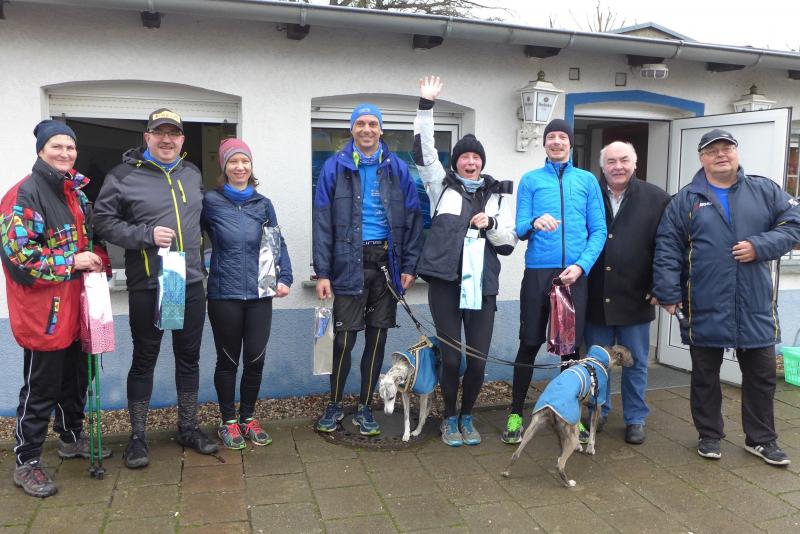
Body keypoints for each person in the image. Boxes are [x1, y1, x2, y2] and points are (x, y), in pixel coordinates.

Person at [653, 128, 800, 466]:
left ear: (736, 152)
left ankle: (761, 440)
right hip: (704, 302)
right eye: (712, 150)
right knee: (705, 376)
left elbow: (795, 224)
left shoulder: (764, 190)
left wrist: (760, 246)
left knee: (761, 375)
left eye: (727, 148)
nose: (720, 154)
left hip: (754, 303)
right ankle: (709, 435)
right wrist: (668, 291)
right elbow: (667, 248)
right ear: (702, 158)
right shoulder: (686, 200)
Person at [94, 108, 218, 468]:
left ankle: (188, 427)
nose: (167, 139)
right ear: (147, 137)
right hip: (150, 283)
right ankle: (137, 438)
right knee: (145, 358)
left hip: (186, 281)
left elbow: (204, 220)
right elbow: (102, 221)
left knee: (188, 357)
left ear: (182, 139)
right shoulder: (122, 176)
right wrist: (145, 235)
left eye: (173, 133)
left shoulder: (191, 173)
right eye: (159, 133)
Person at [1, 120, 111, 498]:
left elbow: (90, 240)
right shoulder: (24, 195)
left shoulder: (75, 193)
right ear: (41, 150)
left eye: (70, 147)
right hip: (44, 312)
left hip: (77, 306)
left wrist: (97, 258)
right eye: (57, 146)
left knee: (77, 379)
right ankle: (26, 461)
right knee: (41, 389)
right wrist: (73, 261)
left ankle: (70, 437)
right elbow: (20, 258)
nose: (65, 153)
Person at [413, 76, 517, 446]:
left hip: (482, 287)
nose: (470, 161)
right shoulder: (440, 186)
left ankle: (468, 416)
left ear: (481, 162)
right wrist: (426, 107)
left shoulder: (497, 194)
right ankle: (449, 417)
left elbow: (509, 242)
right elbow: (424, 152)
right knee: (452, 359)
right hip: (446, 284)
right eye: (464, 157)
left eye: (476, 157)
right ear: (456, 162)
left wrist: (492, 224)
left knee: (477, 361)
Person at [313, 102, 423, 436]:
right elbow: (322, 222)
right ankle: (334, 404)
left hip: (387, 265)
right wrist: (323, 272)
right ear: (352, 129)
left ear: (381, 130)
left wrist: (409, 265)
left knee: (377, 341)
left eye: (373, 124)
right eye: (360, 123)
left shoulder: (398, 169)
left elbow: (414, 219)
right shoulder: (334, 167)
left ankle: (364, 408)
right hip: (348, 264)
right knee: (344, 341)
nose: (367, 129)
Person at [502, 118, 607, 444]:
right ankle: (516, 413)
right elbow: (519, 228)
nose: (557, 141)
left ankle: (568, 415)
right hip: (538, 272)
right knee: (529, 342)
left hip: (573, 275)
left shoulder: (587, 180)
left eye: (562, 136)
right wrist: (534, 221)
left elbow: (599, 231)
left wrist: (582, 266)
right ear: (545, 143)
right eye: (551, 137)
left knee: (570, 350)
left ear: (570, 143)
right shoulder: (531, 180)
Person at [202, 138, 293, 449]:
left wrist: (285, 277)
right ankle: (228, 421)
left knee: (255, 358)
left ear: (251, 167)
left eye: (245, 162)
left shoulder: (263, 204)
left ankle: (248, 417)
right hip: (223, 294)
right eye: (233, 161)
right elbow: (189, 235)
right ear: (224, 167)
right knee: (228, 361)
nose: (239, 167)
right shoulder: (210, 201)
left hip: (259, 294)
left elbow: (276, 242)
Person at [583, 141, 670, 445]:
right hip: (595, 294)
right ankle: (597, 411)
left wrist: (661, 285)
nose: (618, 166)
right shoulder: (589, 193)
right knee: (597, 362)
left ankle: (635, 418)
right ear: (602, 166)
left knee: (636, 362)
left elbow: (667, 246)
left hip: (637, 295)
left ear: (635, 164)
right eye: (611, 161)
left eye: (624, 160)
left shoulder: (657, 198)